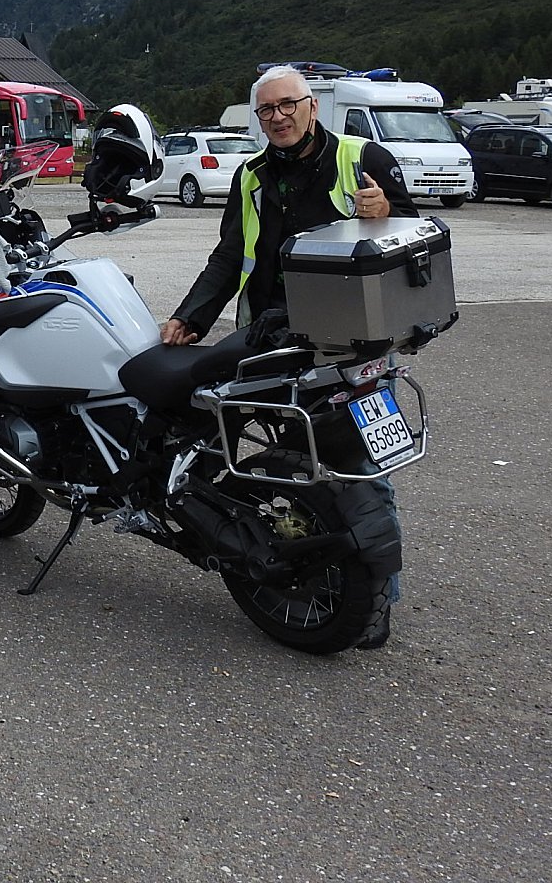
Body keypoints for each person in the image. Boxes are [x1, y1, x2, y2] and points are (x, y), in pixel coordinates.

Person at [160, 63, 418, 648]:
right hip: (271, 339)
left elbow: (413, 234)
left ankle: (377, 602)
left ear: (312, 107)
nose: (278, 117)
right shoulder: (251, 175)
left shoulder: (362, 158)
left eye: (288, 105)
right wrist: (190, 316)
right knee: (272, 457)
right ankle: (293, 561)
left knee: (356, 466)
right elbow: (230, 255)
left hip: (347, 341)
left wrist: (386, 213)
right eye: (267, 110)